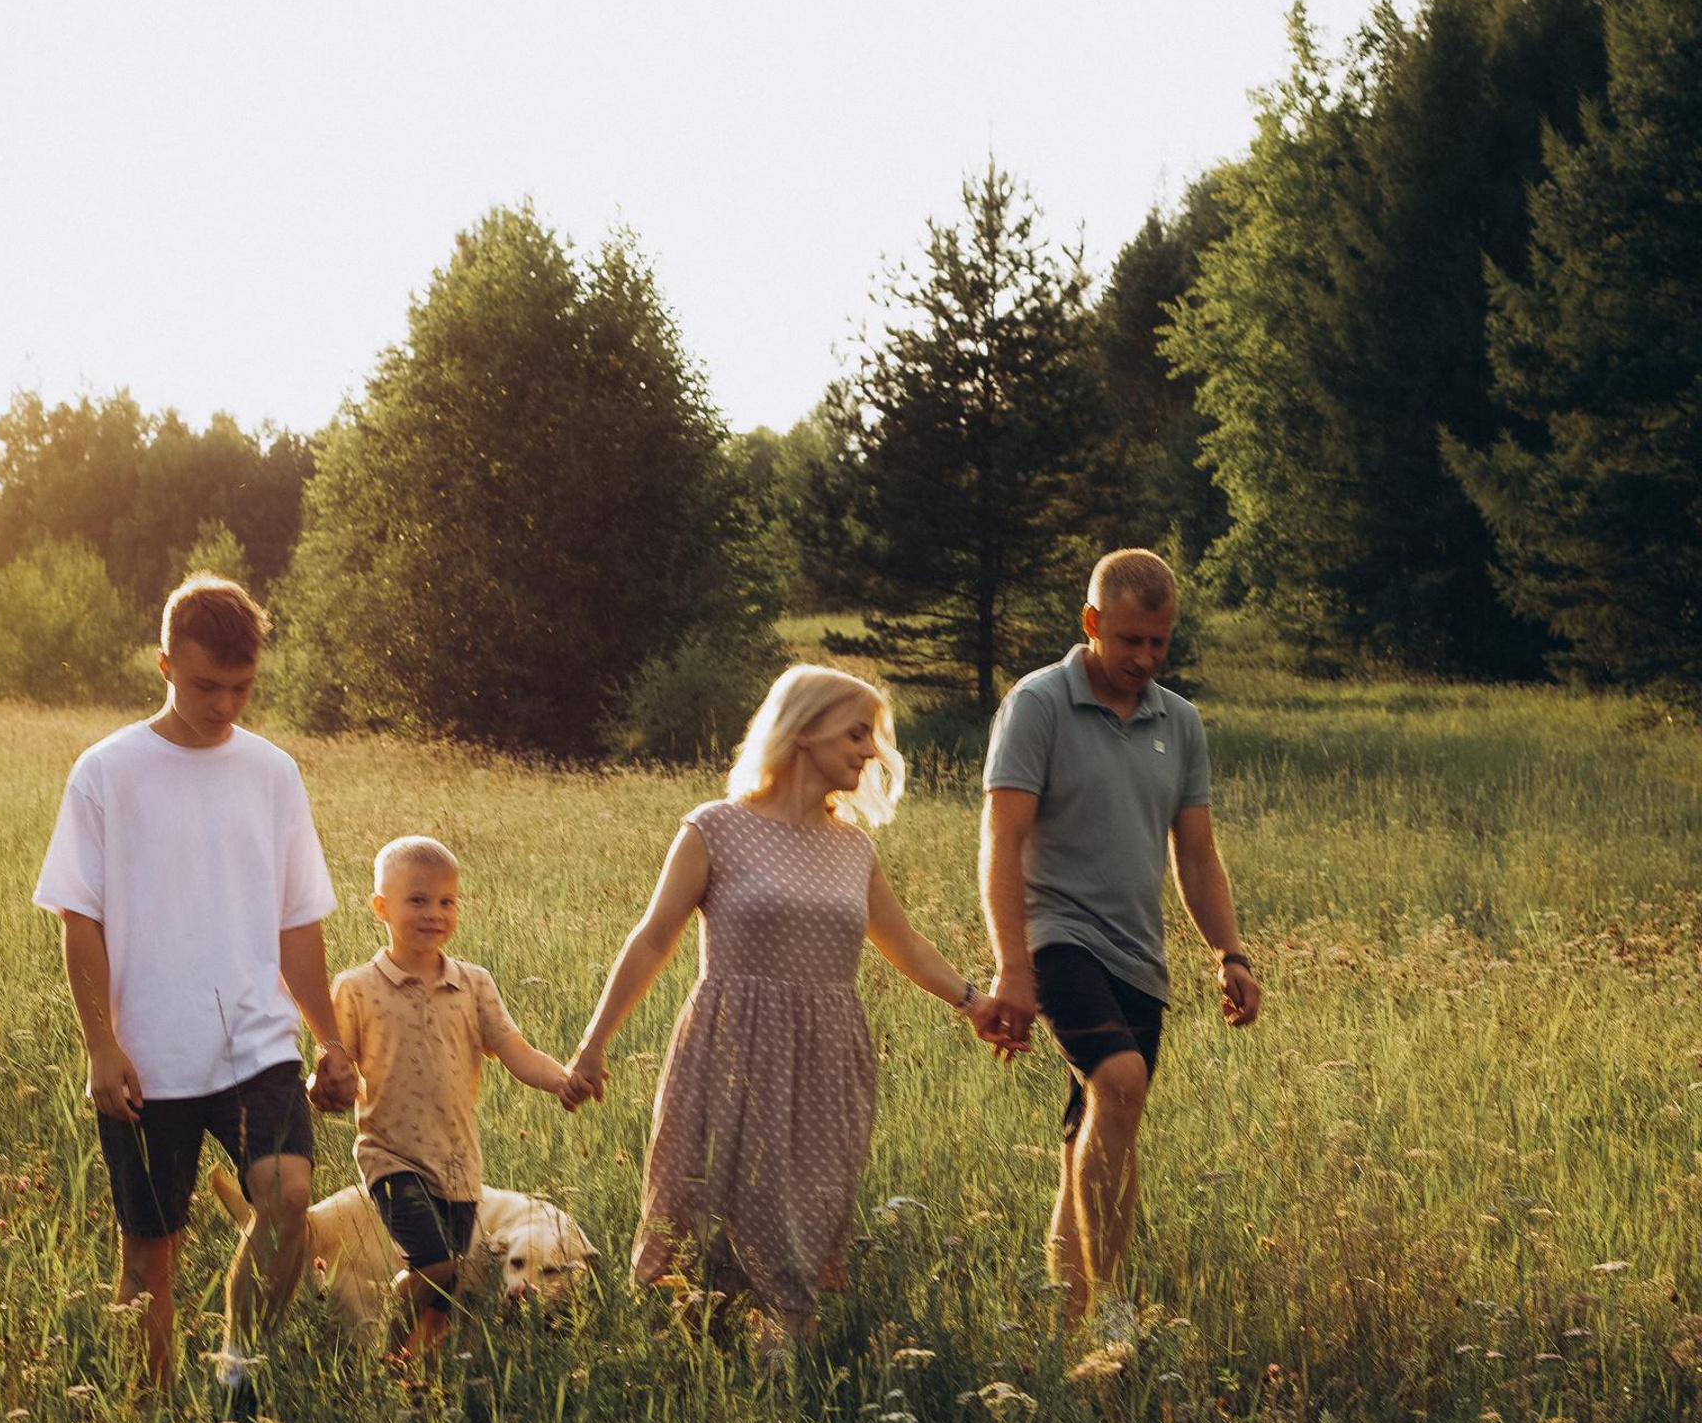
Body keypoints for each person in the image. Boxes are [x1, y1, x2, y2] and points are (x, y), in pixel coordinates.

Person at [562, 665, 1006, 1342]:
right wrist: (592, 1048)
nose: (870, 751)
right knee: (700, 1201)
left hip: (826, 1059)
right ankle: (684, 1357)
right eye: (857, 733)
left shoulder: (854, 848)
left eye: (874, 738)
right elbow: (652, 941)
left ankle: (783, 1378)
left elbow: (905, 945)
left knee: (803, 1215)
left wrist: (975, 1002)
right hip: (730, 1046)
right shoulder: (717, 828)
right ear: (804, 729)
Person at [33, 574, 356, 1399]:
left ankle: (237, 1373)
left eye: (242, 688)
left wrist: (326, 1038)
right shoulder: (108, 771)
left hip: (255, 1043)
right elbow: (80, 921)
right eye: (208, 685)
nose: (225, 705)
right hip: (149, 1055)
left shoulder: (273, 772)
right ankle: (150, 1416)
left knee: (287, 1200)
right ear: (165, 664)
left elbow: (296, 922)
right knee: (151, 1252)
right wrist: (101, 1047)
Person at [980, 548, 1261, 1335]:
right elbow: (1002, 839)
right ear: (1093, 624)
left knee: (1104, 1125)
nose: (1143, 659)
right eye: (1130, 640)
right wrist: (1013, 964)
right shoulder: (1037, 704)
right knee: (1122, 1081)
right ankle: (1113, 1315)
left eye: (1159, 643)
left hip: (1140, 956)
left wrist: (1228, 952)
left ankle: (1066, 1322)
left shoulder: (1182, 722)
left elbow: (1197, 854)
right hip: (1057, 936)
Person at [329, 836, 571, 1358]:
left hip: (459, 1166)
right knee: (434, 1262)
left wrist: (561, 1078)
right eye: (417, 900)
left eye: (447, 901)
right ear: (381, 908)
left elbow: (514, 1050)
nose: (434, 913)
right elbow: (336, 1067)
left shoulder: (475, 984)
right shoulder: (356, 988)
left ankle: (414, 1376)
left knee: (442, 1286)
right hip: (390, 1155)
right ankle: (392, 1363)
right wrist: (323, 1083)